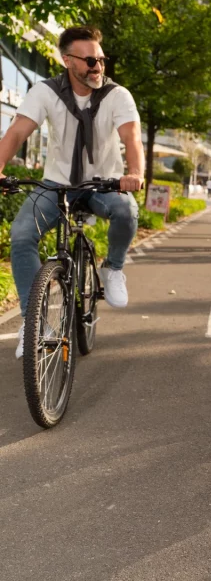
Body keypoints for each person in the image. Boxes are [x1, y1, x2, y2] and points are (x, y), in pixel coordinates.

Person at [0, 26, 144, 359]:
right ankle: (32, 322)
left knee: (126, 212)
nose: (98, 67)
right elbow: (17, 131)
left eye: (102, 60)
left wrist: (134, 173)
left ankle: (114, 268)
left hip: (103, 184)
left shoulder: (116, 95)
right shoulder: (45, 91)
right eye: (91, 60)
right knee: (21, 235)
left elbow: (131, 137)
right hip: (56, 184)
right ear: (67, 60)